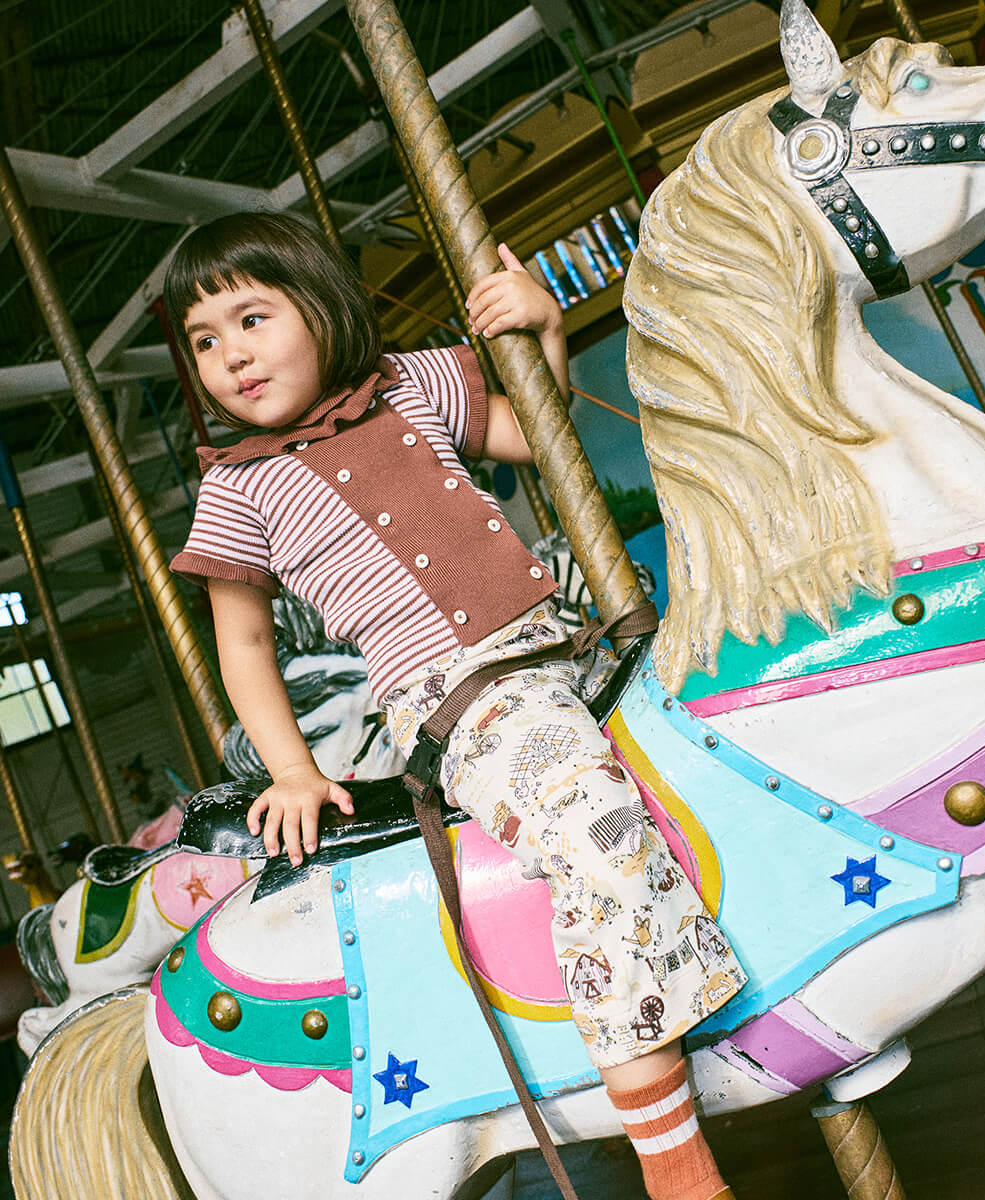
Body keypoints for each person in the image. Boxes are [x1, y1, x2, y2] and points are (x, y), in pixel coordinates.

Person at [166, 211, 746, 1200]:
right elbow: (245, 644)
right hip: (462, 699)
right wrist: (292, 769)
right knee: (595, 833)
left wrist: (543, 330)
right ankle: (676, 1163)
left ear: (319, 302)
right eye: (205, 343)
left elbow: (537, 435)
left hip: (566, 646)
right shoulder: (238, 488)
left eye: (251, 320)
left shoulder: (414, 381)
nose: (231, 357)